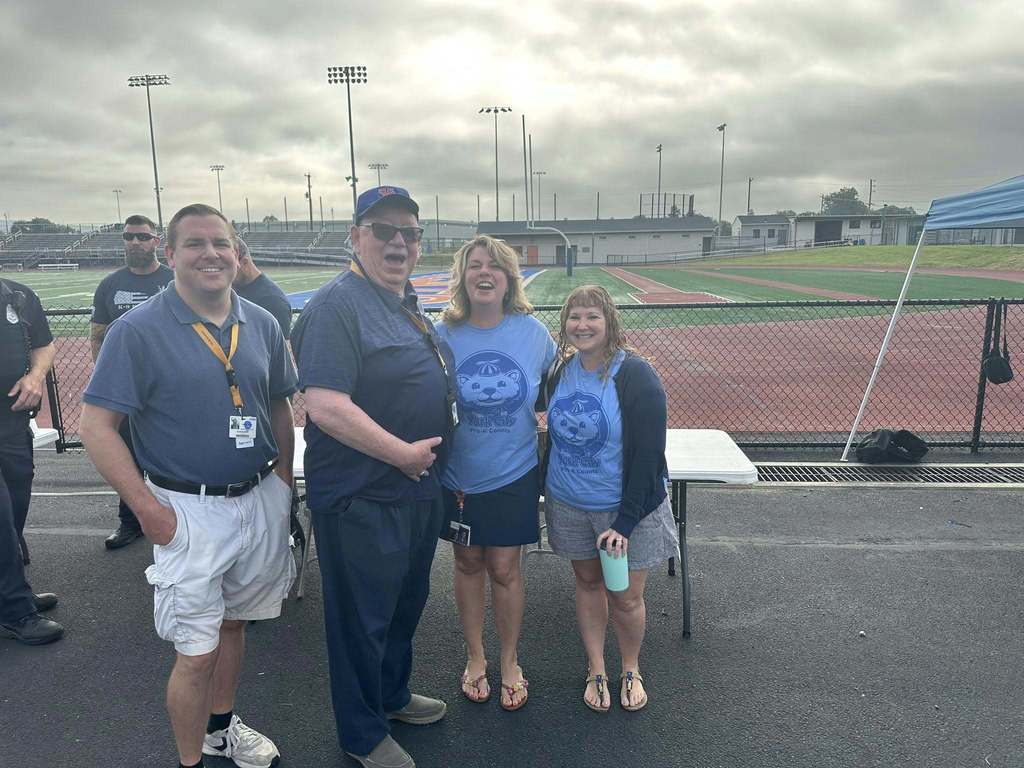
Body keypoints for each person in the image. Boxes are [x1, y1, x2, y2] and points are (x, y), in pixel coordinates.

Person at [81, 203, 297, 768]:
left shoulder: (262, 323)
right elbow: (95, 428)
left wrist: (280, 484)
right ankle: (189, 761)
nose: (210, 254)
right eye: (195, 244)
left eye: (220, 242)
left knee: (234, 625)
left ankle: (219, 731)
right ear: (170, 255)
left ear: (236, 252)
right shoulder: (137, 330)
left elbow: (276, 403)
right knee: (195, 654)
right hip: (185, 508)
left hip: (256, 499)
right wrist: (150, 512)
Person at [291, 185, 455, 768]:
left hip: (412, 491)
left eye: (409, 232)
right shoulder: (338, 305)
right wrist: (401, 455)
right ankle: (361, 734)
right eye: (383, 230)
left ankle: (390, 695)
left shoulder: (404, 301)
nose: (398, 242)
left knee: (404, 603)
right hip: (365, 495)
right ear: (355, 238)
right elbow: (326, 405)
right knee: (362, 617)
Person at [541, 285, 678, 713]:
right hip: (569, 503)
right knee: (587, 583)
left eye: (592, 317)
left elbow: (650, 456)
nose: (582, 325)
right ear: (565, 325)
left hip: (623, 512)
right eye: (574, 317)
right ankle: (596, 666)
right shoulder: (560, 372)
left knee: (625, 596)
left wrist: (625, 522)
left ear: (609, 322)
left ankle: (631, 667)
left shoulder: (635, 375)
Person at [435, 235, 555, 711]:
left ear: (509, 279)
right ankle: (474, 657)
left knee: (505, 568)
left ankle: (509, 659)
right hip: (459, 475)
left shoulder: (533, 334)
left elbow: (561, 388)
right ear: (463, 277)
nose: (484, 274)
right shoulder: (442, 332)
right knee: (467, 563)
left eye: (495, 267)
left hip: (514, 471)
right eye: (474, 266)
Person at [91, 213, 174, 550]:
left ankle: (176, 516)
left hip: (169, 386)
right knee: (125, 453)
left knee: (170, 453)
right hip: (127, 389)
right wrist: (107, 378)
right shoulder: (110, 284)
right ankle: (131, 520)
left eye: (142, 236)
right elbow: (98, 335)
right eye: (129, 237)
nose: (135, 242)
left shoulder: (173, 278)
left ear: (157, 240)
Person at [0, 278, 63, 646]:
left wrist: (36, 376)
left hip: (12, 422)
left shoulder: (18, 296)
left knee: (17, 508)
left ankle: (10, 589)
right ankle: (15, 610)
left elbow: (43, 344)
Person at [232, 238, 292, 339]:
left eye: (229, 266)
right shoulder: (232, 289)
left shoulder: (273, 301)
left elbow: (279, 351)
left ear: (244, 263)